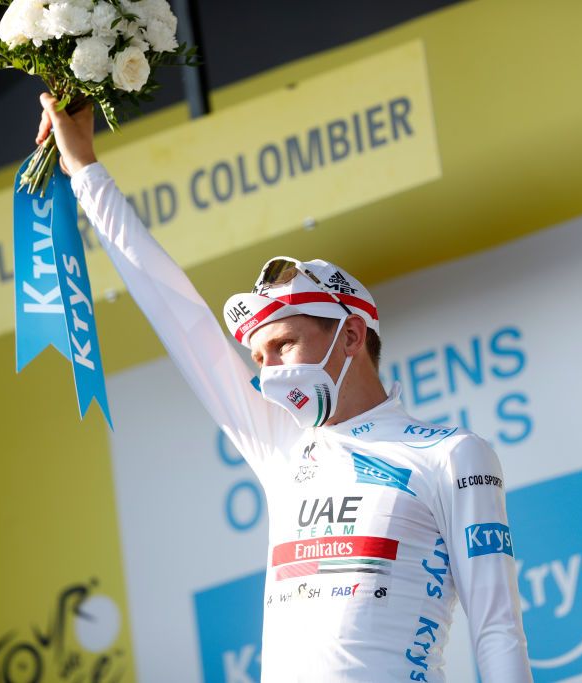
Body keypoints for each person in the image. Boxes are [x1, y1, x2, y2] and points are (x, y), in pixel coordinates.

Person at [37, 92, 533, 682]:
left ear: (351, 336)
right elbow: (178, 316)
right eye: (259, 355)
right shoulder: (283, 445)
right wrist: (86, 171)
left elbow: (497, 629)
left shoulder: (450, 454)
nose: (269, 369)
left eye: (284, 345)